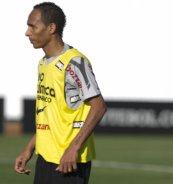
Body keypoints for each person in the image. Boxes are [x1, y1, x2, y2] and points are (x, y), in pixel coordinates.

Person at [14, 2, 107, 184]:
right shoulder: (43, 63)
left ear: (51, 28)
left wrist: (74, 148)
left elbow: (99, 107)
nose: (27, 32)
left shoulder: (75, 62)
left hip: (68, 161)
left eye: (33, 26)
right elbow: (48, 114)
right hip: (46, 157)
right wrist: (29, 149)